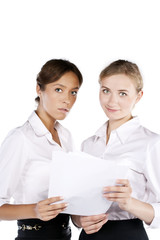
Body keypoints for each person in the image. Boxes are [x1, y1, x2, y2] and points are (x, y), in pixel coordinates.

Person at [72, 60, 160, 240]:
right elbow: (77, 206)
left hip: (128, 234)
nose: (112, 101)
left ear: (139, 96)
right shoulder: (88, 145)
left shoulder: (151, 143)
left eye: (123, 93)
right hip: (89, 236)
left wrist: (129, 202)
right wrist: (80, 221)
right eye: (106, 91)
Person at [0, 59, 83, 240]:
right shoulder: (20, 138)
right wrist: (34, 210)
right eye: (58, 89)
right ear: (39, 89)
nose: (67, 99)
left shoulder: (66, 136)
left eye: (74, 92)